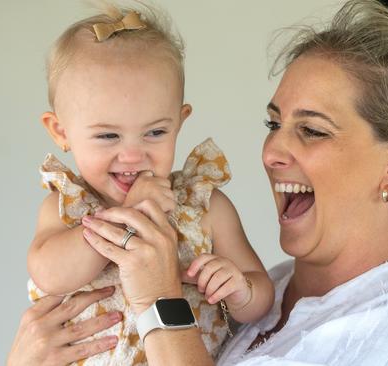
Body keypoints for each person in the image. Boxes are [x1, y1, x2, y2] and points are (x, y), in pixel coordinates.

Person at [8, 0, 388, 365]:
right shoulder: (262, 296)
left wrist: (158, 296)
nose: (272, 153)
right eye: (273, 125)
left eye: (312, 130)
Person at [23, 2, 274, 365]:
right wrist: (125, 214)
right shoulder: (68, 208)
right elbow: (49, 273)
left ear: (180, 121)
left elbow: (261, 293)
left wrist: (240, 290)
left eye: (155, 132)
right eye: (108, 136)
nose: (132, 155)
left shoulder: (203, 206)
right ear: (60, 132)